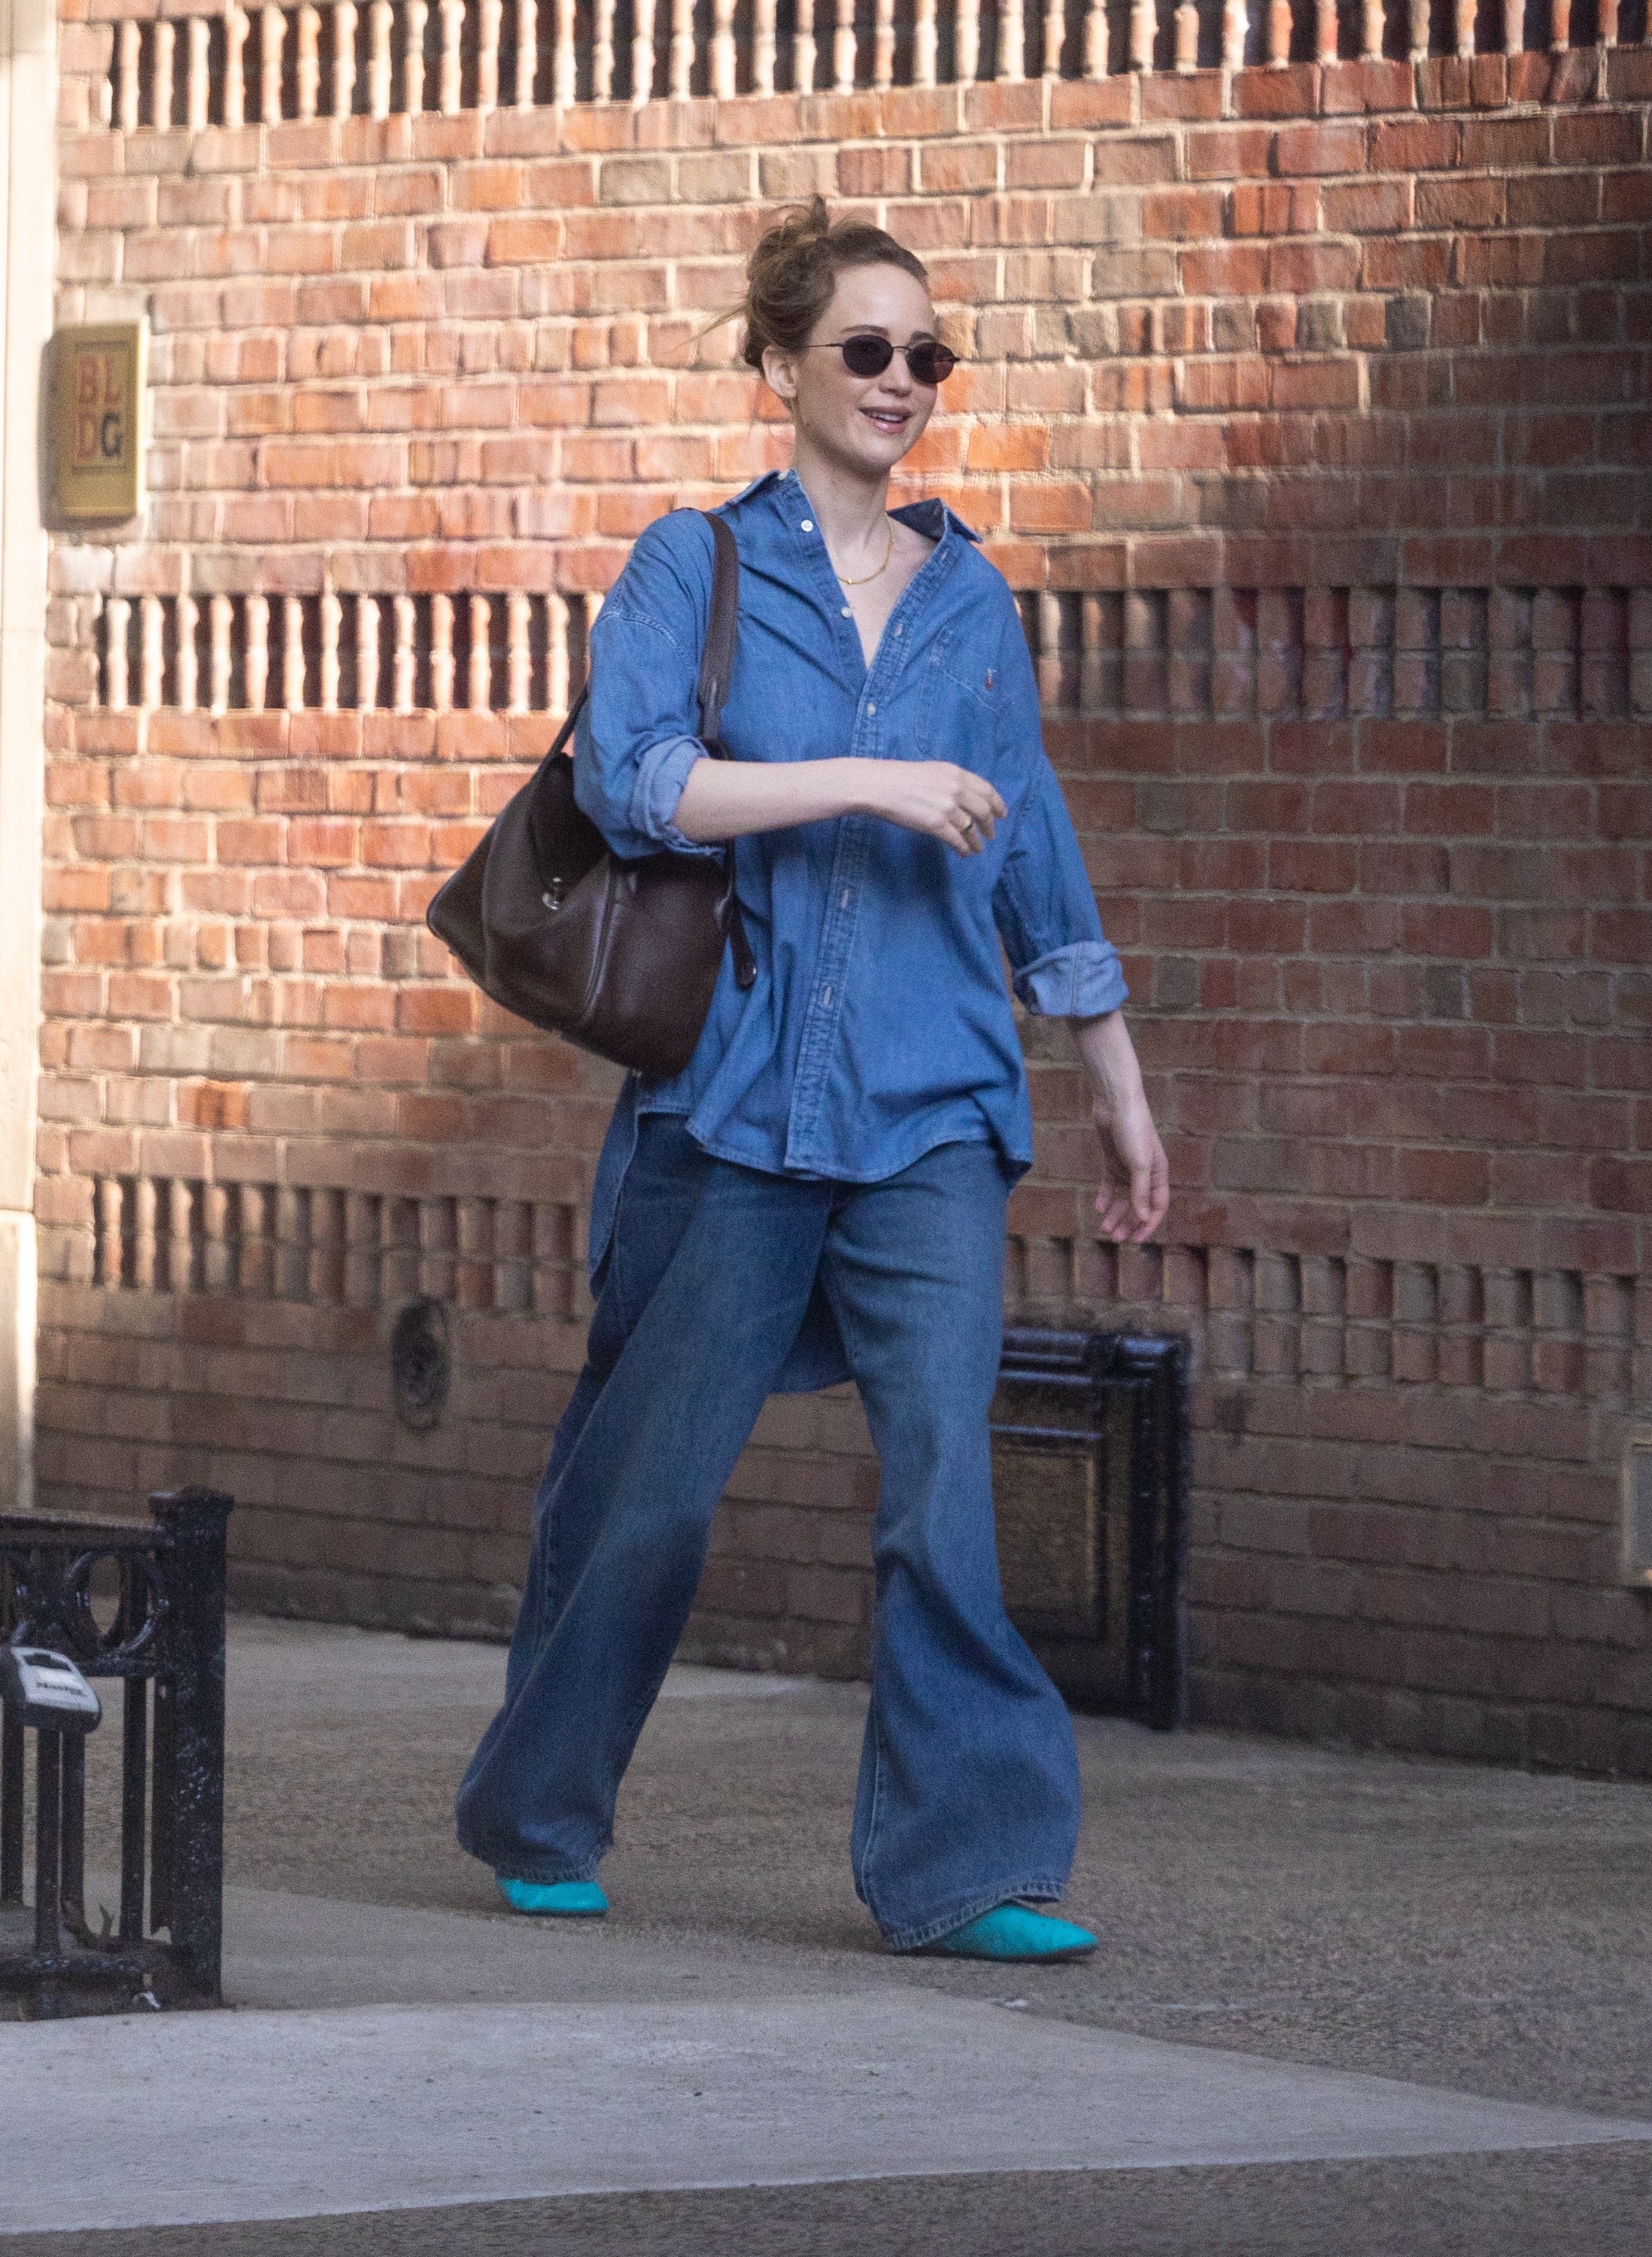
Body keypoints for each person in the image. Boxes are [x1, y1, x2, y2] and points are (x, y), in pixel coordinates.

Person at [455, 198, 1171, 1964]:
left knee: (945, 1488)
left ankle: (973, 1864)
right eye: (865, 349)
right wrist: (860, 777)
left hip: (931, 1099)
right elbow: (635, 782)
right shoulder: (691, 566)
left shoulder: (969, 598)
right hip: (734, 1098)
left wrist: (1115, 1080)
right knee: (648, 1484)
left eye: (926, 354)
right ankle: (540, 1809)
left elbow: (1032, 847)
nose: (901, 382)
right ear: (780, 366)